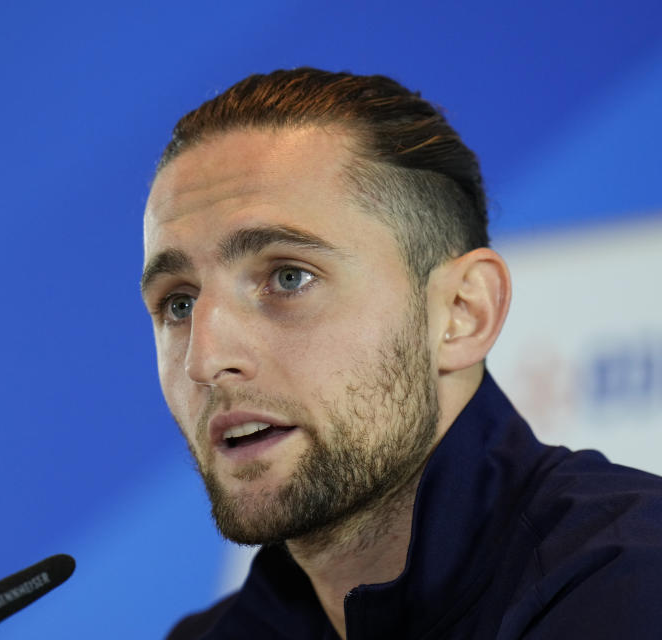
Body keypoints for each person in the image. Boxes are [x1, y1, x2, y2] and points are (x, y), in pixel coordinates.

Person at [139, 68, 662, 639]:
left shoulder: (631, 579)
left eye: (288, 277)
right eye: (179, 305)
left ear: (464, 312)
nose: (205, 359)